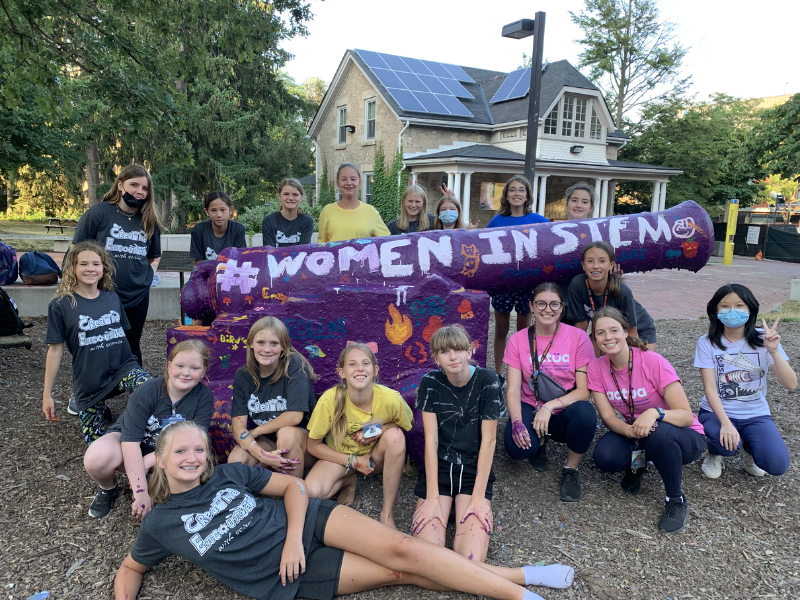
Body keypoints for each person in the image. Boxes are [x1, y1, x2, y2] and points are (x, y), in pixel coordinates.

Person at [114, 421, 575, 600]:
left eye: (198, 449)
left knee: (405, 548)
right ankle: (524, 575)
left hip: (308, 523)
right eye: (181, 452)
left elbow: (294, 487)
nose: (192, 458)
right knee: (401, 571)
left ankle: (521, 596)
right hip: (286, 578)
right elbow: (132, 568)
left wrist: (293, 539)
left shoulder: (228, 475)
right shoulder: (160, 523)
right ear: (161, 459)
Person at [588, 307, 705, 533]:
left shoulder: (653, 361)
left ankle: (675, 499)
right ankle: (639, 464)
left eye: (614, 330)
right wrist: (630, 431)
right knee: (605, 457)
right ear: (595, 338)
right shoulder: (596, 368)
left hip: (681, 435)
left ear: (625, 331)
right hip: (639, 432)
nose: (608, 337)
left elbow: (685, 415)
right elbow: (608, 418)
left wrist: (655, 413)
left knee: (658, 432)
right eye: (600, 333)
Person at [83, 339, 213, 519]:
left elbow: (195, 442)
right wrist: (140, 490)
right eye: (180, 366)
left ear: (204, 371)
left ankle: (167, 487)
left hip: (170, 451)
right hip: (132, 443)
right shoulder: (147, 392)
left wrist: (149, 460)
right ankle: (107, 488)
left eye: (194, 368)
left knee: (197, 465)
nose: (186, 373)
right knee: (97, 457)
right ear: (169, 365)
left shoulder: (204, 397)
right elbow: (130, 442)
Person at [42, 241, 152, 443]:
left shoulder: (112, 298)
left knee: (151, 389)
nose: (90, 269)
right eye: (83, 264)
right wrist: (47, 394)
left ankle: (133, 433)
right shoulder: (61, 304)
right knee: (96, 446)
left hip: (123, 369)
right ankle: (110, 425)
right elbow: (55, 350)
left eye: (96, 264)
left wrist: (135, 383)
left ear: (104, 268)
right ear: (73, 268)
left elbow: (123, 337)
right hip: (90, 381)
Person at [411, 325, 503, 563]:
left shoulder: (488, 381)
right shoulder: (430, 383)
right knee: (426, 558)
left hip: (473, 469)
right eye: (445, 352)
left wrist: (478, 498)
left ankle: (462, 505)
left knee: (471, 558)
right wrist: (432, 498)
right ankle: (442, 503)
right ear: (436, 359)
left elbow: (489, 441)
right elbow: (431, 441)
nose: (453, 357)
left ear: (469, 352)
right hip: (441, 468)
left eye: (459, 350)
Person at [503, 283, 596, 502]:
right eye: (541, 304)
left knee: (585, 413)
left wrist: (549, 406)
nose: (548, 309)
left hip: (563, 407)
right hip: (530, 403)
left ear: (562, 308)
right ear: (531, 307)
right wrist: (517, 422)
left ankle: (571, 469)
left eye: (554, 304)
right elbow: (513, 390)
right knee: (517, 450)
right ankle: (539, 442)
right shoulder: (517, 340)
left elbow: (584, 391)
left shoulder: (578, 337)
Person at [304, 343, 413, 529]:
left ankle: (387, 513)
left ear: (375, 370)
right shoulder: (330, 399)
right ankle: (349, 480)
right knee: (311, 492)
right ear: (342, 372)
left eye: (365, 363)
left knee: (395, 437)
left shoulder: (391, 399)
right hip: (341, 459)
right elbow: (313, 445)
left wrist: (374, 430)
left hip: (374, 460)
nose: (360, 368)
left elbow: (406, 426)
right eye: (352, 364)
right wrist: (354, 461)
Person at [695, 284, 797, 479]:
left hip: (756, 414)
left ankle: (748, 448)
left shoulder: (764, 339)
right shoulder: (706, 342)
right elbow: (710, 388)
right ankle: (714, 453)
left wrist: (773, 351)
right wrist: (726, 424)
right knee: (724, 445)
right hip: (716, 413)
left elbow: (791, 384)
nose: (732, 311)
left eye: (739, 305)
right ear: (715, 310)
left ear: (750, 309)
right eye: (725, 306)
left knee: (776, 465)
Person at [73, 164, 161, 369]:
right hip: (102, 291)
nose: (140, 192)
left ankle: (135, 384)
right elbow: (76, 252)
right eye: (134, 185)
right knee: (100, 342)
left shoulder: (149, 220)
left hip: (137, 293)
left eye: (145, 188)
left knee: (132, 342)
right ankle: (98, 384)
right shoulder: (99, 213)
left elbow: (149, 257)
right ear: (120, 185)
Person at [228, 316, 319, 476]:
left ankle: (293, 486)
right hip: (269, 441)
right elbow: (238, 427)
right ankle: (265, 487)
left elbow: (294, 416)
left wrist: (256, 431)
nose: (267, 349)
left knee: (286, 434)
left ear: (283, 346)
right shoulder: (243, 375)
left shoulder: (294, 365)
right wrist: (263, 456)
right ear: (251, 343)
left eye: (274, 343)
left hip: (304, 443)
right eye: (261, 342)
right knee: (237, 460)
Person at [486, 176, 550, 379]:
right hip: (503, 283)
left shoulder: (538, 220)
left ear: (527, 196)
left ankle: (523, 373)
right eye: (512, 190)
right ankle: (498, 373)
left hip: (527, 283)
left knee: (524, 331)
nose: (517, 193)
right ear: (506, 195)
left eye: (521, 190)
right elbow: (483, 244)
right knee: (501, 329)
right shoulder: (497, 221)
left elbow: (554, 236)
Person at [567, 241, 656, 353]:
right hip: (607, 329)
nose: (595, 266)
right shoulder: (577, 285)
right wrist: (575, 353)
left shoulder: (623, 291)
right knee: (590, 357)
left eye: (602, 261)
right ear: (583, 265)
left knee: (642, 361)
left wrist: (632, 357)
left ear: (611, 265)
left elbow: (632, 332)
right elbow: (580, 326)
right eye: (590, 261)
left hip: (638, 327)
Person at [317, 164, 390, 242]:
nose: (349, 183)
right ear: (338, 183)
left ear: (359, 183)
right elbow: (321, 245)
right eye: (344, 179)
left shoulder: (371, 212)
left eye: (353, 179)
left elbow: (387, 241)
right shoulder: (327, 211)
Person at [189, 191, 247, 263]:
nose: (219, 215)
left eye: (223, 210)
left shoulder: (238, 229)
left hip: (231, 269)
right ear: (206, 211)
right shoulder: (199, 229)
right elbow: (198, 264)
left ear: (230, 210)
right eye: (213, 210)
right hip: (207, 270)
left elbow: (240, 260)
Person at [262, 178, 315, 247]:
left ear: (301, 197)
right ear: (279, 196)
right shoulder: (269, 221)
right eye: (286, 194)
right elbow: (269, 251)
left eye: (295, 194)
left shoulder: (307, 221)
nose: (290, 198)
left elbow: (303, 250)